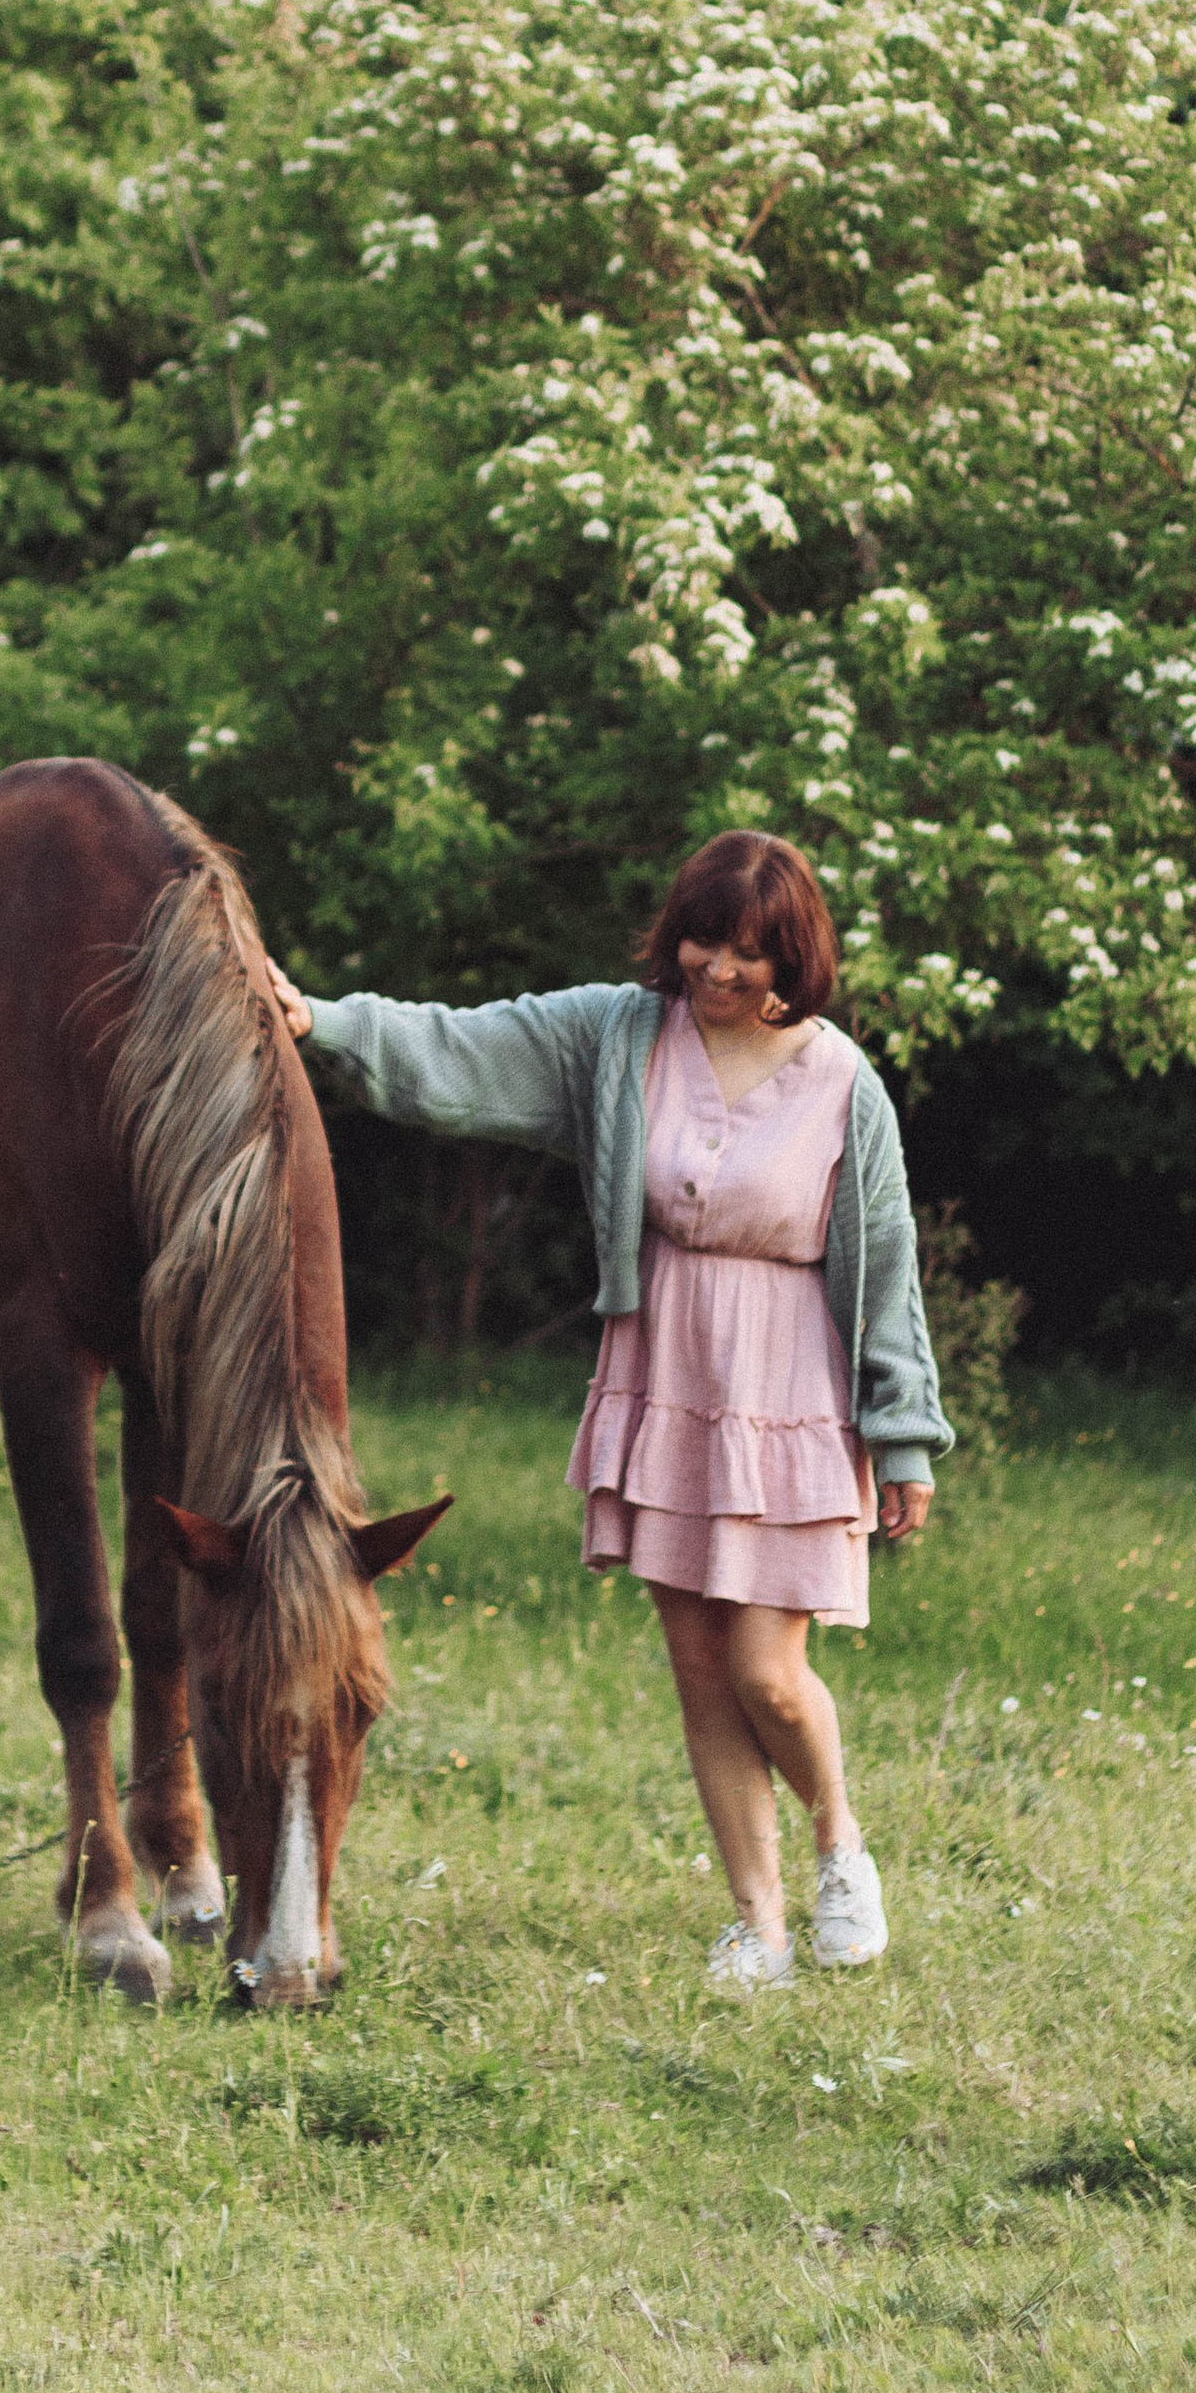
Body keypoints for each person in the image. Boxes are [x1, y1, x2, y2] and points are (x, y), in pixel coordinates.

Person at [268, 833, 950, 1988]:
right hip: (666, 1372)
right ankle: (759, 1926)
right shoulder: (618, 1034)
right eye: (701, 939)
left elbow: (885, 1265)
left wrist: (902, 1432)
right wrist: (323, 1020)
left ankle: (841, 1847)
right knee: (697, 1668)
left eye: (745, 952)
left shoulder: (842, 1082)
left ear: (792, 952)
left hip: (786, 1387)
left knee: (767, 1671)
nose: (716, 970)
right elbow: (463, 1043)